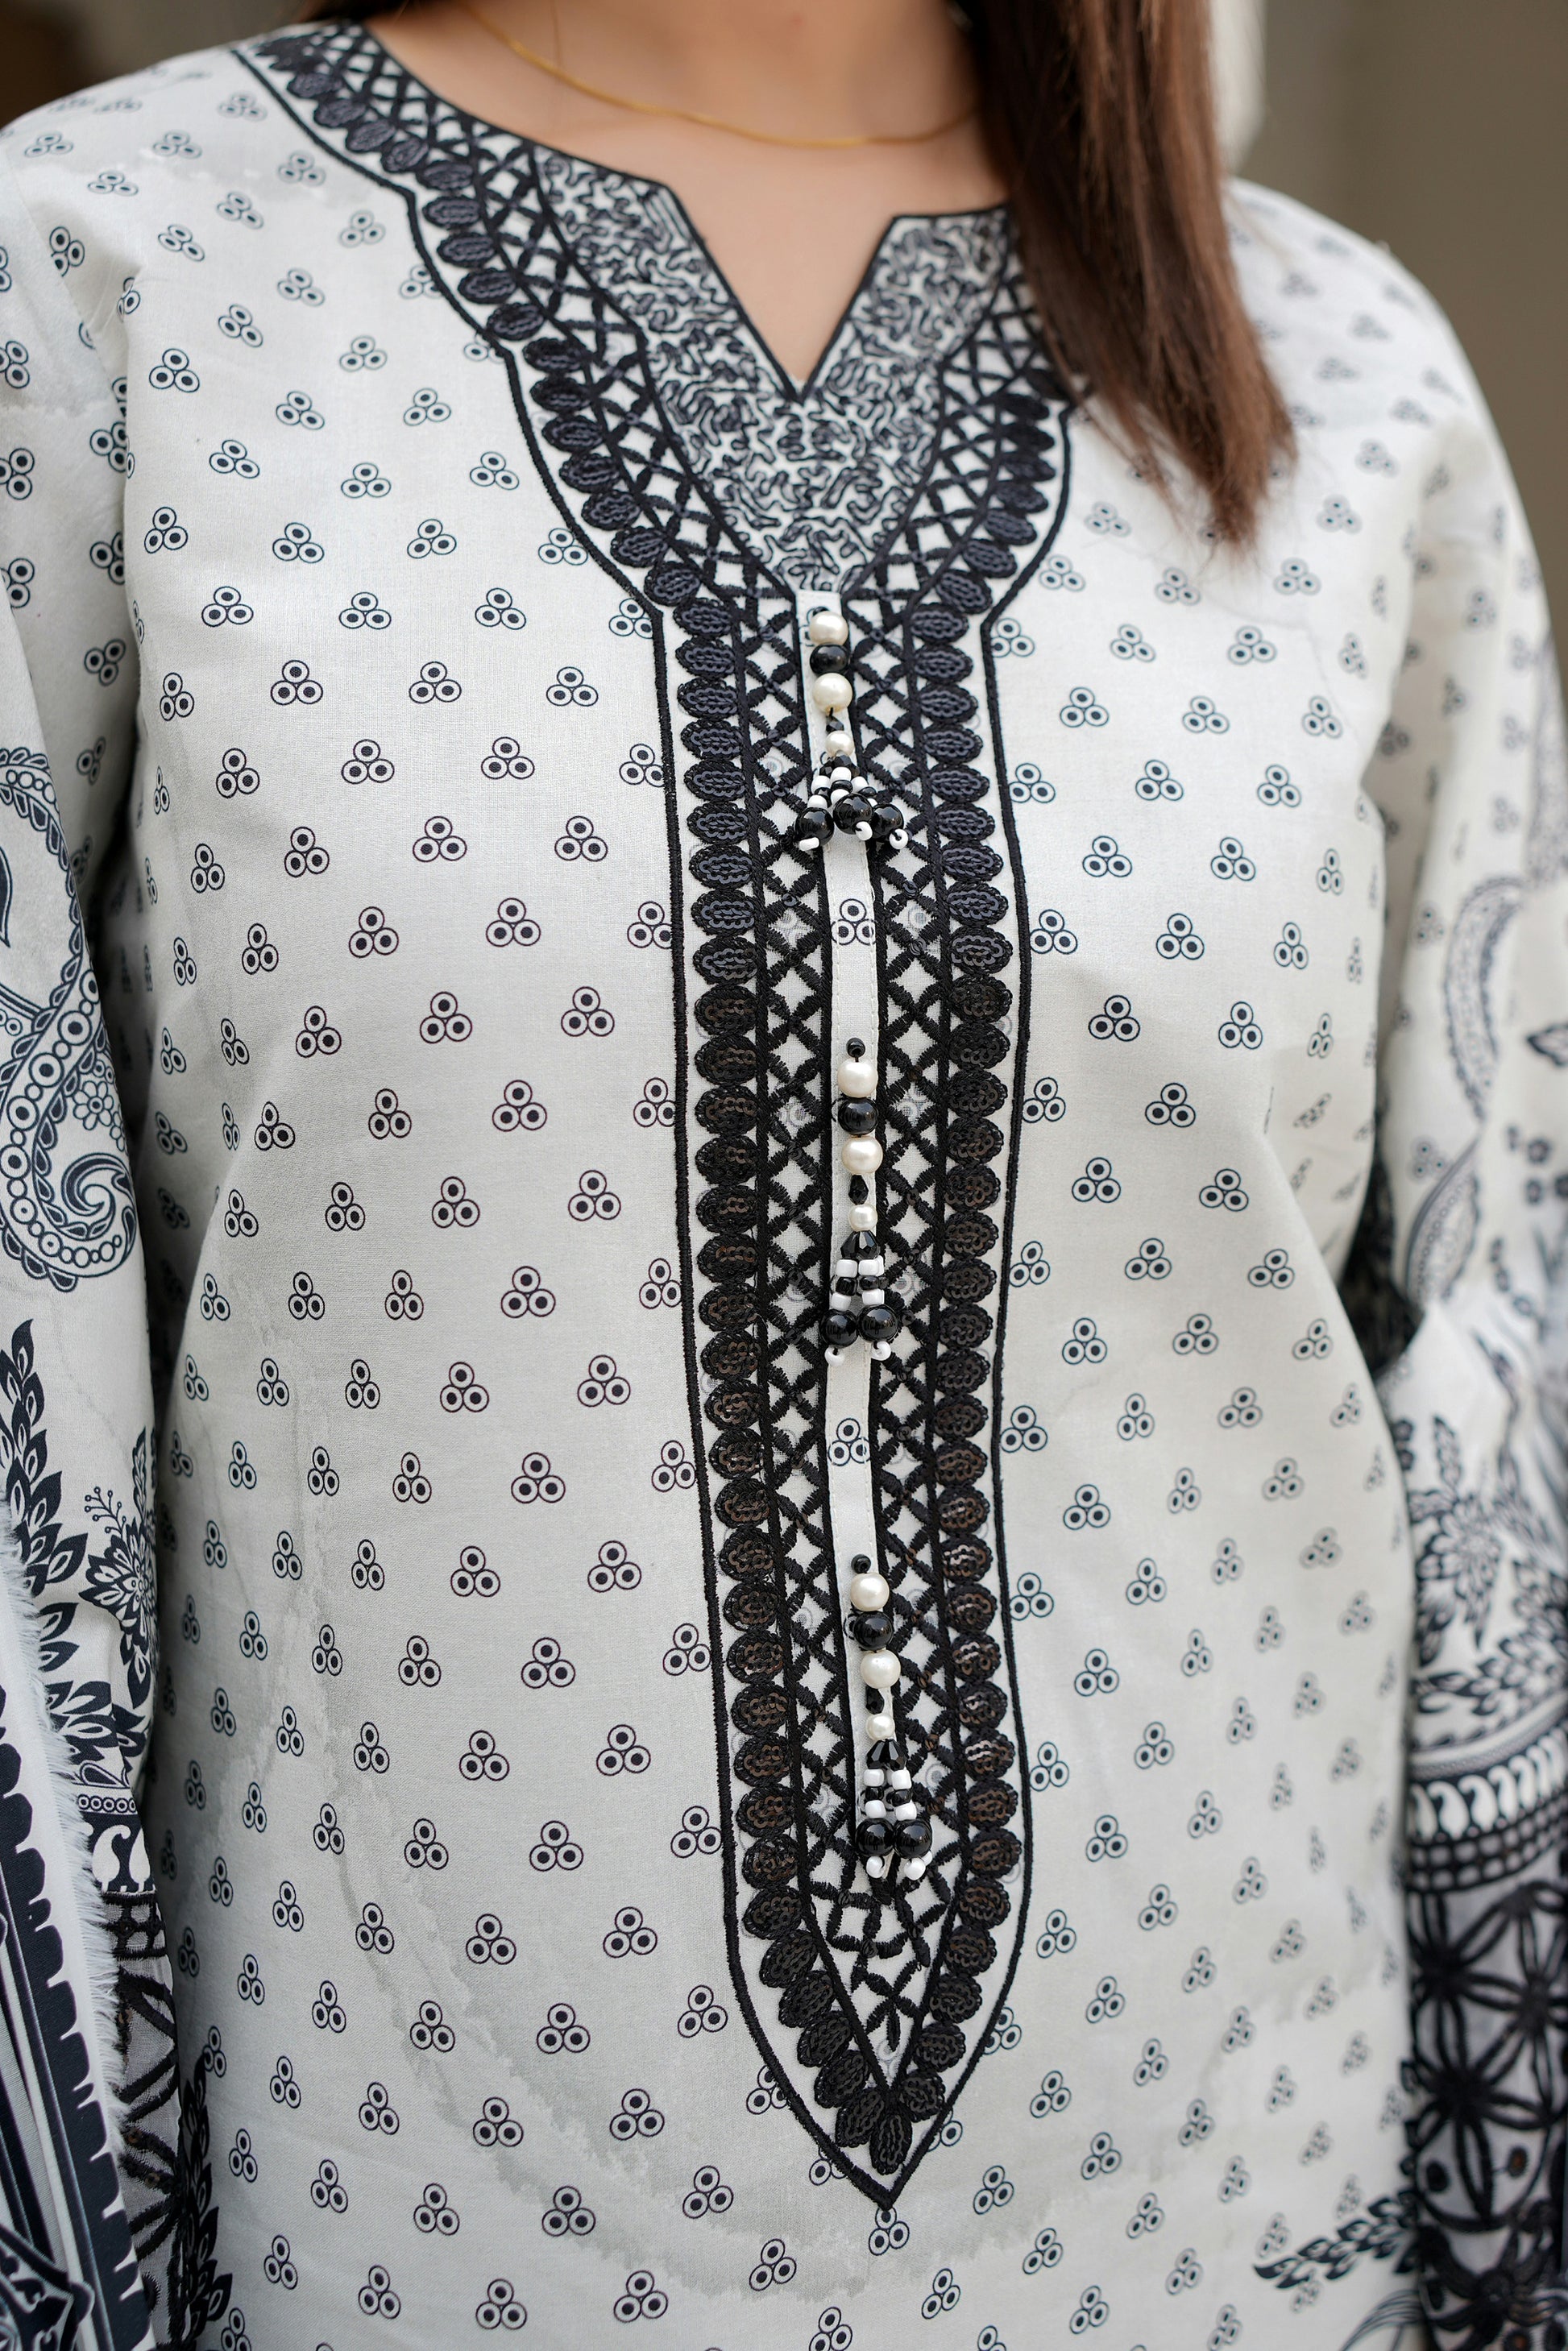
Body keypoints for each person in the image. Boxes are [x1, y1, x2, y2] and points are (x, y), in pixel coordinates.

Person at [0, 1, 1561, 2343]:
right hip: (401, 2243)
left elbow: (1499, 1390)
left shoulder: (1343, 368)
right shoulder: (109, 269)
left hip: (1246, 2234)